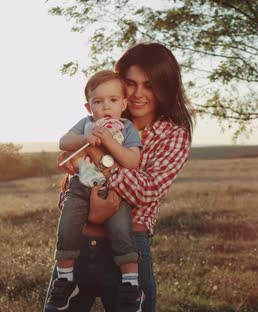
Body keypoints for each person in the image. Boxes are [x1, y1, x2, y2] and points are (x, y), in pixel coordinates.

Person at [44, 42, 194, 312]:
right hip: (79, 241)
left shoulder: (172, 135)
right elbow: (70, 172)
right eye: (130, 83)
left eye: (149, 85)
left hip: (127, 248)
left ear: (165, 87)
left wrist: (99, 156)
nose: (138, 94)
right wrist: (77, 162)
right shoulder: (102, 113)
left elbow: (147, 191)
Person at [46, 70, 144, 311]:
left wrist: (109, 141)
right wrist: (86, 139)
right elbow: (63, 141)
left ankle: (131, 285)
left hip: (112, 188)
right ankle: (66, 278)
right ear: (89, 106)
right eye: (98, 102)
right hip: (82, 184)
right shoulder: (86, 124)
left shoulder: (126, 127)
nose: (105, 107)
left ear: (123, 103)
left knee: (121, 230)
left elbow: (132, 161)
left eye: (112, 100)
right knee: (68, 221)